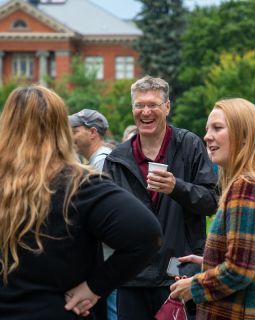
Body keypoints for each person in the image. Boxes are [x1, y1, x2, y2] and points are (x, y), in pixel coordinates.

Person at [0, 85, 162, 320]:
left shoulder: (78, 185)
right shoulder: (79, 185)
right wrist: (96, 287)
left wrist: (95, 287)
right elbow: (147, 234)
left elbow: (144, 234)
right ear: (61, 130)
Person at [103, 75, 218, 320]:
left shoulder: (189, 146)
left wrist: (177, 187)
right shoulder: (117, 159)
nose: (146, 111)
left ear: (167, 107)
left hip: (179, 273)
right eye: (139, 105)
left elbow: (211, 201)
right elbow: (103, 218)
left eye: (153, 104)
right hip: (132, 275)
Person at [170, 98, 255, 320]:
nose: (207, 136)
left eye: (217, 128)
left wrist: (194, 287)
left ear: (245, 135)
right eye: (207, 129)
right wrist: (210, 260)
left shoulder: (249, 186)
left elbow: (238, 271)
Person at [68, 109, 117, 319]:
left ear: (93, 132)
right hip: (106, 253)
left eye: (75, 130)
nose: (71, 136)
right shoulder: (96, 161)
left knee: (112, 310)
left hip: (108, 255)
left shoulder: (101, 162)